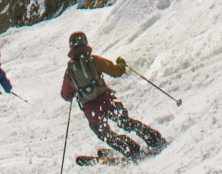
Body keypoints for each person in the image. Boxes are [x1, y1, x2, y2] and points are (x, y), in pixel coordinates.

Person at [60, 28, 165, 160]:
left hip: (92, 111)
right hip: (107, 101)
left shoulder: (69, 72)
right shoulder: (94, 61)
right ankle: (155, 140)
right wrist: (121, 64)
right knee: (126, 122)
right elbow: (116, 71)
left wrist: (74, 91)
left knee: (105, 134)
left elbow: (65, 95)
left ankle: (131, 151)